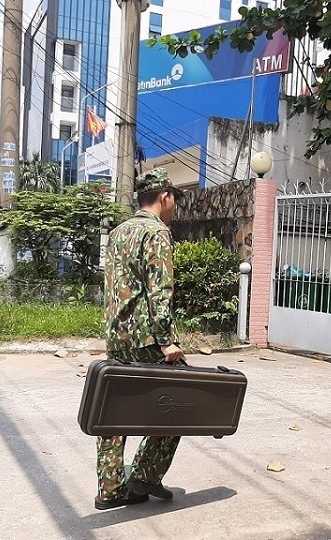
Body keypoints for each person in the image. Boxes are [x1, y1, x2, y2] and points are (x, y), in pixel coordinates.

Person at [95, 167, 185, 511]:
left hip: (117, 336)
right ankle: (145, 475)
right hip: (148, 339)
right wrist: (166, 341)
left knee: (114, 412)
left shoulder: (118, 232)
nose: (174, 203)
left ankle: (109, 488)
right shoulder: (156, 233)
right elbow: (158, 290)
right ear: (164, 197)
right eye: (174, 197)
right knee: (177, 406)